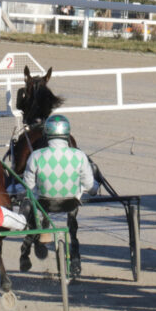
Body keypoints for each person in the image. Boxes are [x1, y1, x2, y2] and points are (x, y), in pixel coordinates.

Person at [21, 114, 97, 277]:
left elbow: (28, 187)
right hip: (71, 203)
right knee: (72, 219)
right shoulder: (79, 156)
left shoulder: (36, 156)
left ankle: (35, 237)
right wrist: (94, 188)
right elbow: (90, 187)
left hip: (44, 203)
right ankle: (75, 258)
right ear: (67, 134)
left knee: (30, 201)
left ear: (47, 133)